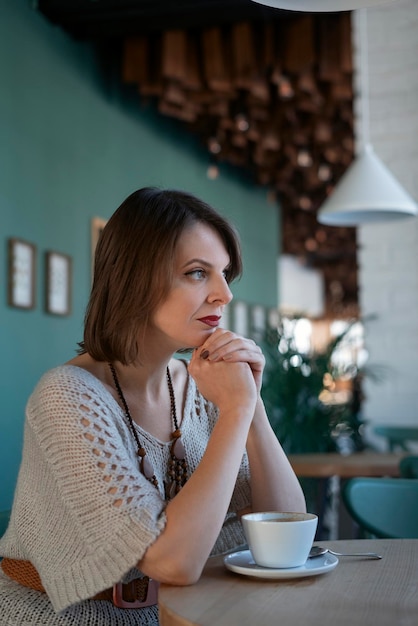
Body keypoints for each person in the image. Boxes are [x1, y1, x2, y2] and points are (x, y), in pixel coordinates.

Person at [0, 187, 306, 625]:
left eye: (223, 274)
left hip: (185, 615)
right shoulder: (67, 396)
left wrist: (250, 405)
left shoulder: (205, 385)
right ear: (135, 278)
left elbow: (286, 530)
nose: (224, 294)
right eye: (198, 273)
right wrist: (236, 411)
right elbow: (172, 564)